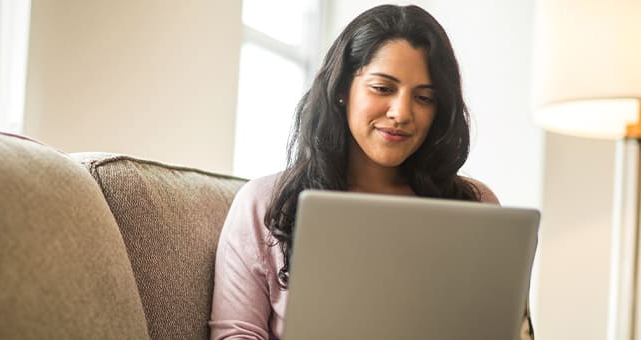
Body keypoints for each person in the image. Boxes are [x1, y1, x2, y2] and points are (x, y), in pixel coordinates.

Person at [209, 4, 533, 340]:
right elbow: (236, 334)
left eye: (424, 97)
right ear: (341, 91)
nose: (402, 112)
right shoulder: (265, 204)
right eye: (382, 88)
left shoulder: (476, 207)